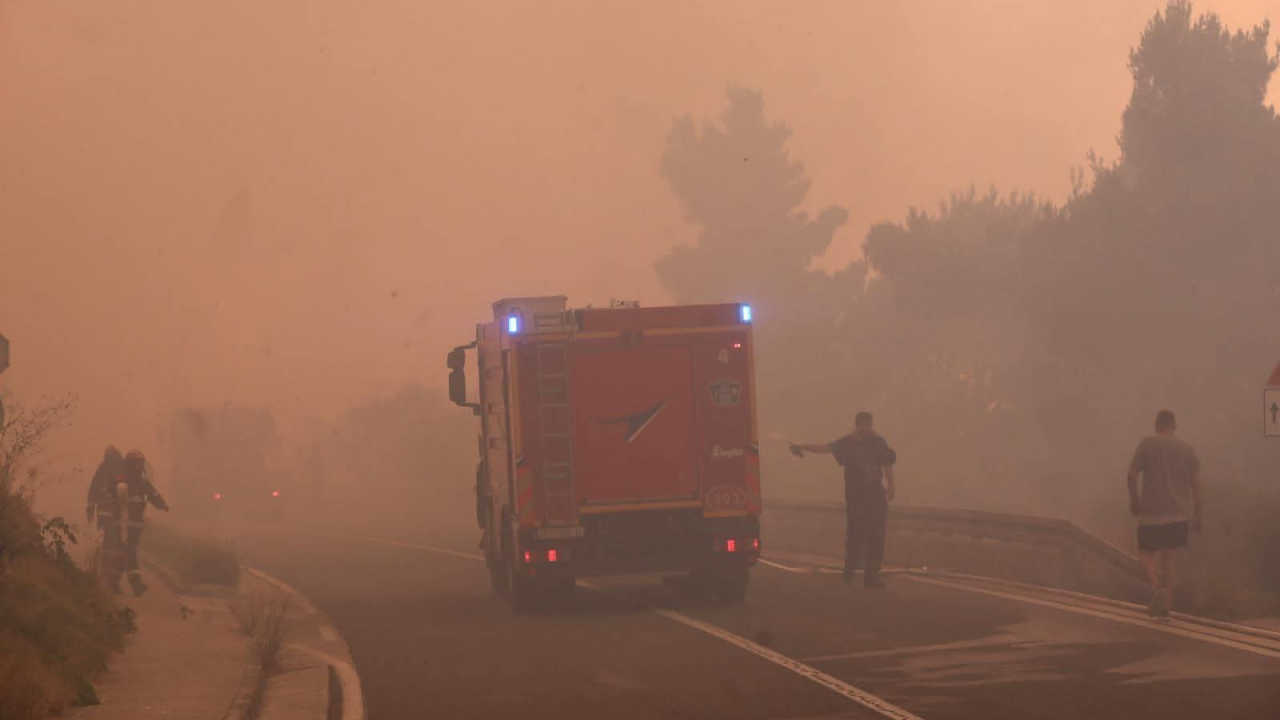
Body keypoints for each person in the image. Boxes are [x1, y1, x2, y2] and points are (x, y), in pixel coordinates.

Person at [790, 412, 898, 588]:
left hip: (872, 494)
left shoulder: (876, 442)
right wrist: (803, 446)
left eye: (868, 425)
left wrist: (891, 486)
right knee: (857, 534)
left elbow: (887, 463)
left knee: (874, 535)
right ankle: (850, 572)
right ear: (858, 425)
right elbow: (825, 448)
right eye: (864, 425)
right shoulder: (850, 442)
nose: (867, 429)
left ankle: (868, 577)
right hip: (857, 495)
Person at [1127, 409, 1203, 618]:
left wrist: (1134, 501)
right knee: (1170, 556)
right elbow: (1196, 482)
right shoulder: (1186, 448)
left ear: (1156, 425)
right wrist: (1198, 513)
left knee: (1145, 551)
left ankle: (1155, 588)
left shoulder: (1146, 444)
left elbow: (1131, 475)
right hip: (1179, 513)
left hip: (1152, 511)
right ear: (1174, 426)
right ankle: (1166, 603)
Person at [86, 445, 127, 592]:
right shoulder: (121, 468)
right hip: (117, 515)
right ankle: (111, 577)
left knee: (111, 543)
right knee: (115, 543)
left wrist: (90, 510)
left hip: (110, 515)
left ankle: (108, 573)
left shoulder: (103, 469)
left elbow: (93, 490)